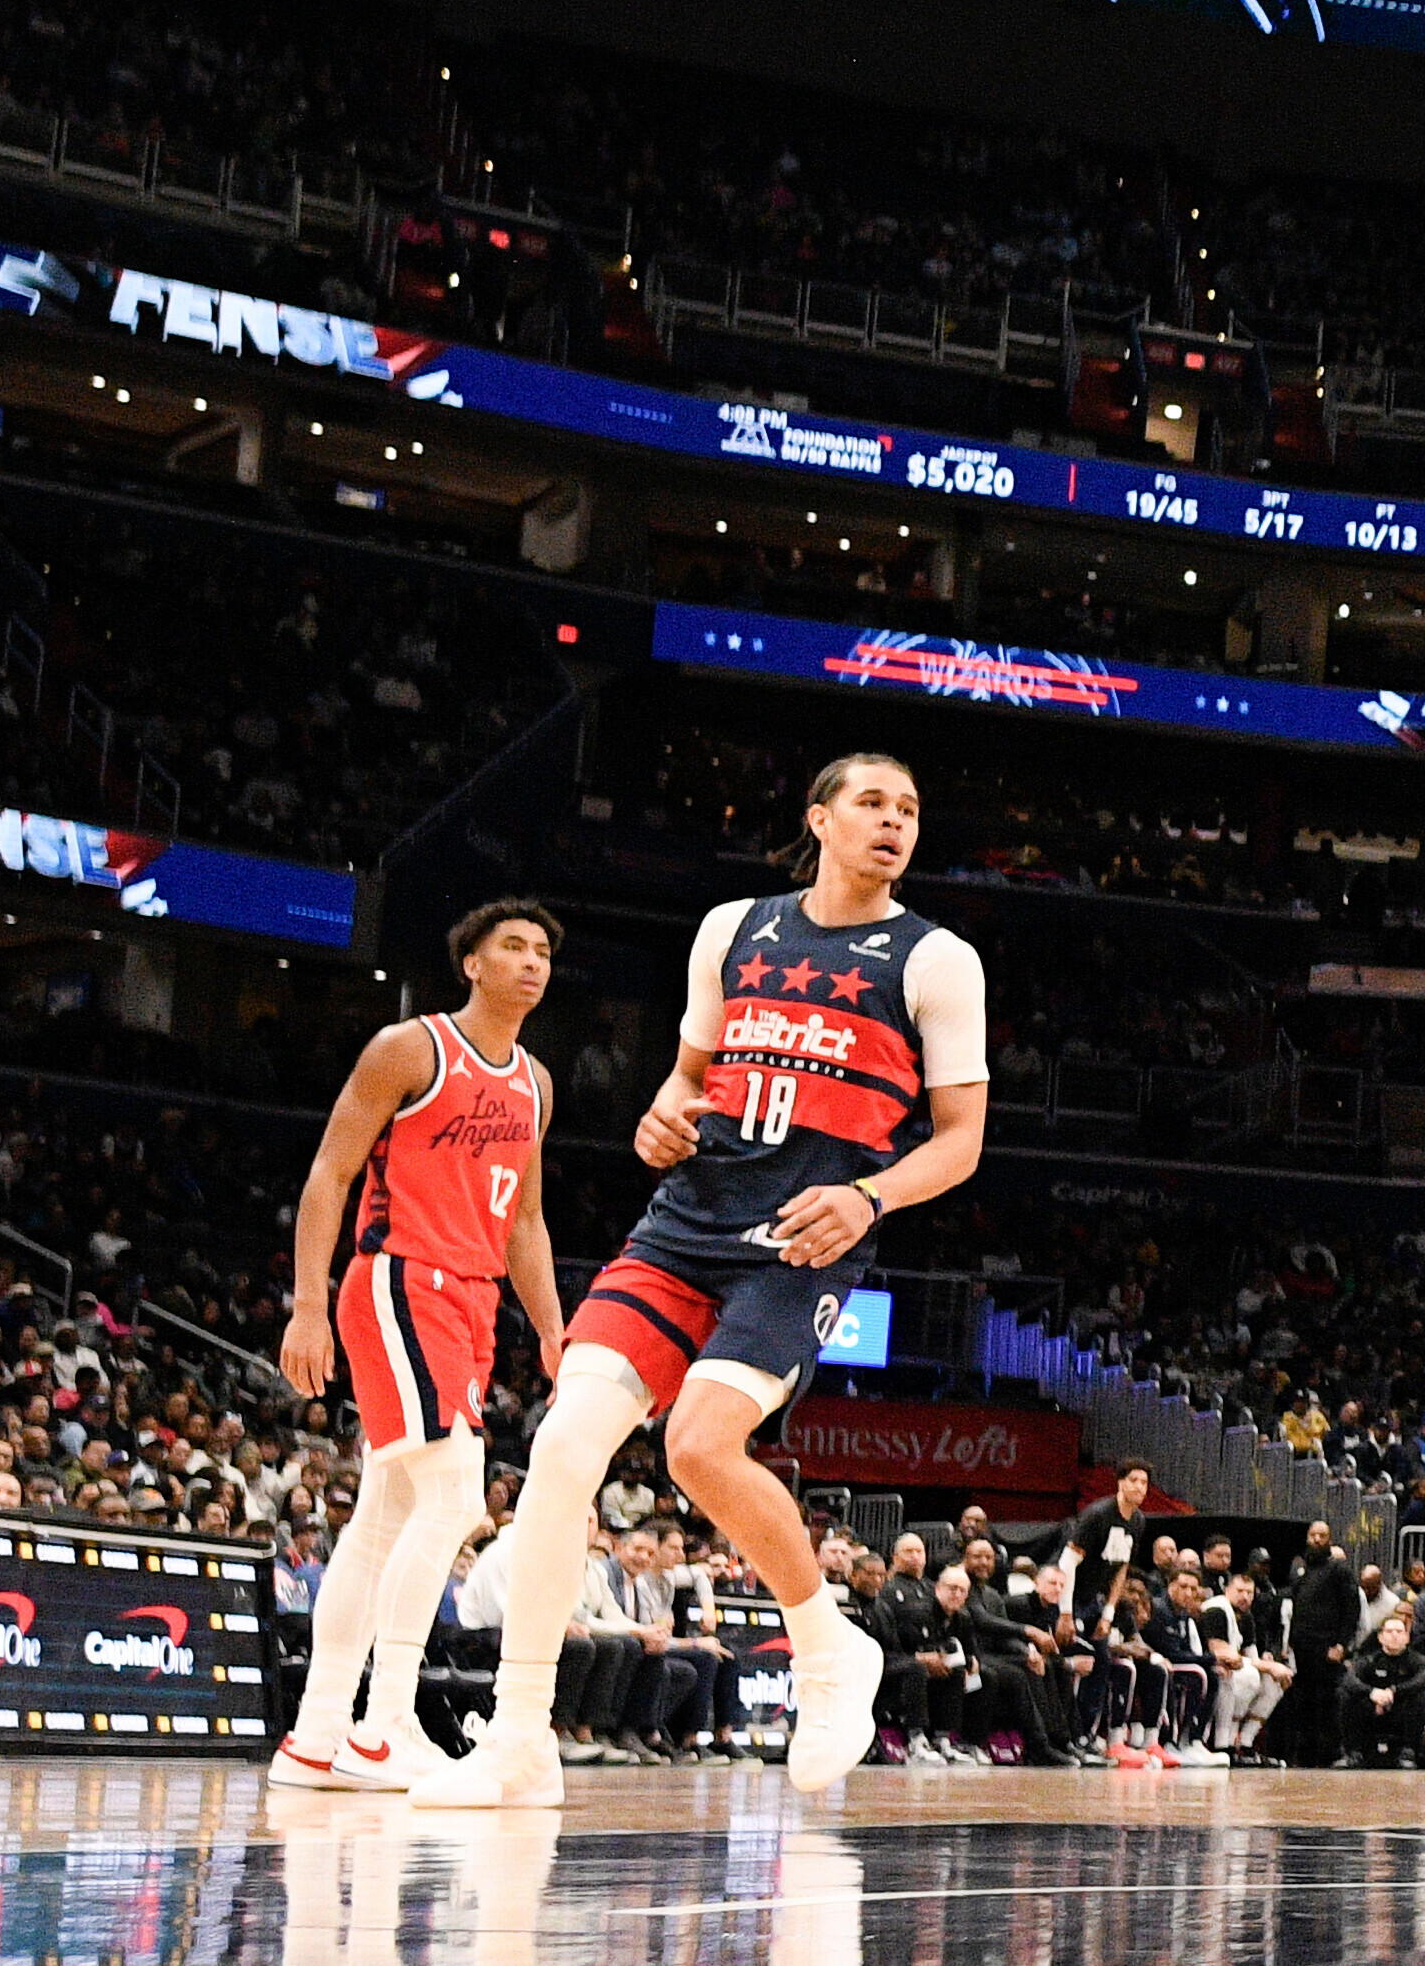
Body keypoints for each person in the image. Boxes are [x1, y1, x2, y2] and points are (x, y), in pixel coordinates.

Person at [416, 753, 991, 1804]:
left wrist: (868, 1198)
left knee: (697, 1446)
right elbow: (689, 1075)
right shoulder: (733, 927)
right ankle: (519, 1734)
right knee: (559, 1449)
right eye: (871, 802)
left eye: (909, 808)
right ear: (819, 817)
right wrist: (661, 1112)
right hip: (687, 1221)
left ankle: (828, 1649)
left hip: (802, 1237)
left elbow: (959, 1142)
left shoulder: (935, 959)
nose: (893, 821)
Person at [271, 897, 567, 1790]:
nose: (531, 961)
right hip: (401, 1276)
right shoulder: (411, 1047)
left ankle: (317, 1736)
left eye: (543, 950)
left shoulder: (535, 1082)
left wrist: (555, 1328)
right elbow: (329, 1172)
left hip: (470, 1299)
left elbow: (525, 1222)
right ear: (470, 961)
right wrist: (307, 1304)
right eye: (511, 945)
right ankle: (383, 1723)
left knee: (384, 1518)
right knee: (454, 1493)